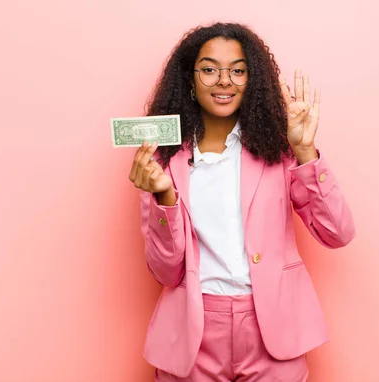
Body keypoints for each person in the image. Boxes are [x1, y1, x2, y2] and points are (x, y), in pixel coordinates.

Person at [128, 22, 356, 381]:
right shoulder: (163, 160)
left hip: (274, 331)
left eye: (237, 70)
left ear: (252, 81)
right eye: (209, 69)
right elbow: (165, 271)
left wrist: (305, 152)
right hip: (193, 334)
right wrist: (164, 197)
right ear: (189, 78)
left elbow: (337, 233)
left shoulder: (277, 150)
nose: (224, 80)